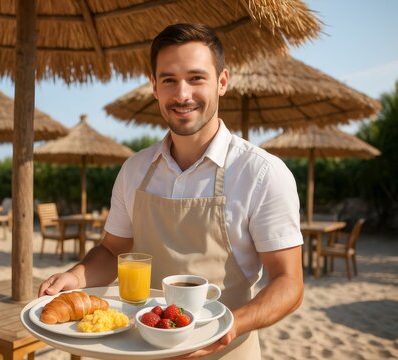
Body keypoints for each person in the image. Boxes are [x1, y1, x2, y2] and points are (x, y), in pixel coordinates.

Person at [39, 23, 304, 359]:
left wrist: (229, 327)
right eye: (169, 80)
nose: (182, 95)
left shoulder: (262, 173)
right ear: (154, 87)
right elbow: (112, 249)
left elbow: (289, 283)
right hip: (139, 349)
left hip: (226, 352)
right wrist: (76, 276)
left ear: (222, 82)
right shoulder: (134, 170)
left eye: (196, 78)